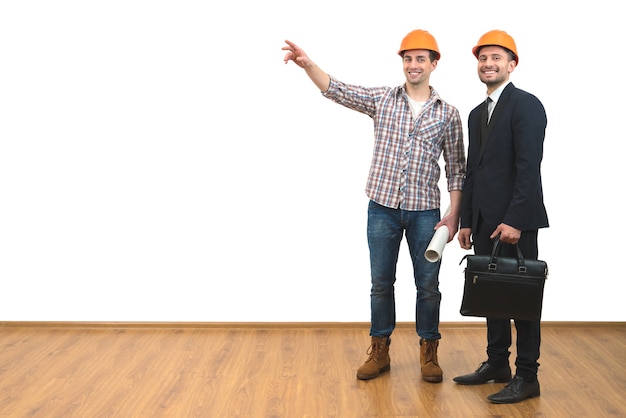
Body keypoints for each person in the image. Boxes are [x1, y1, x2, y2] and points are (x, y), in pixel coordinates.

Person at [282, 30, 466, 383]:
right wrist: (307, 65)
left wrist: (453, 215)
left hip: (425, 213)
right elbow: (338, 90)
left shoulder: (448, 114)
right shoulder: (384, 99)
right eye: (407, 59)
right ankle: (379, 350)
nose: (413, 65)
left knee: (428, 285)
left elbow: (457, 169)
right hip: (381, 208)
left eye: (420, 59)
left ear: (434, 64)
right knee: (381, 283)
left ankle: (429, 351)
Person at [453, 30, 548, 403]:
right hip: (484, 221)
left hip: (515, 222)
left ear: (512, 64)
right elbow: (472, 171)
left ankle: (527, 375)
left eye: (496, 58)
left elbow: (529, 168)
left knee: (521, 298)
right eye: (482, 58)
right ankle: (497, 363)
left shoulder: (526, 105)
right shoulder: (478, 113)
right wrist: (466, 221)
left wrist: (515, 219)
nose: (488, 64)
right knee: (492, 295)